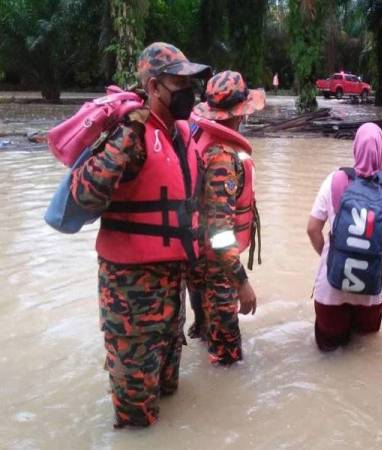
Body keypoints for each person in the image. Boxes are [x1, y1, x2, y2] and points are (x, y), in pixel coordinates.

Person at [70, 42, 210, 428]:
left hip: (171, 301)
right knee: (136, 421)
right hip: (131, 304)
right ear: (153, 86)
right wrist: (127, 133)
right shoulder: (129, 135)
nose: (189, 90)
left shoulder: (182, 135)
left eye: (190, 81)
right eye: (179, 81)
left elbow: (196, 219)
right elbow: (83, 194)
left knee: (169, 395)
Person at [187, 70, 264, 365]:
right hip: (216, 269)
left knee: (207, 336)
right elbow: (220, 233)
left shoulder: (202, 138)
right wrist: (241, 282)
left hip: (199, 264)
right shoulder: (221, 157)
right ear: (240, 114)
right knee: (228, 360)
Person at [306, 122, 382, 351]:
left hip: (331, 290)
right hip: (370, 292)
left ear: (355, 148)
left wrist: (331, 257)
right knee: (365, 354)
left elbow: (312, 229)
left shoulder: (334, 181)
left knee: (328, 358)